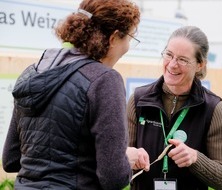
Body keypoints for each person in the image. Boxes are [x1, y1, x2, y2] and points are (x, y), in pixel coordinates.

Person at [2, 0, 149, 189]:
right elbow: (113, 177)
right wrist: (123, 159)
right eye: (129, 38)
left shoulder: (32, 72)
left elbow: (11, 159)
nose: (128, 47)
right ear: (113, 38)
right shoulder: (104, 80)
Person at [127, 26, 222, 190]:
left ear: (200, 64)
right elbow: (121, 159)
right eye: (169, 55)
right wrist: (130, 157)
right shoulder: (138, 100)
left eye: (183, 59)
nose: (173, 64)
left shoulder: (213, 108)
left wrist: (195, 158)